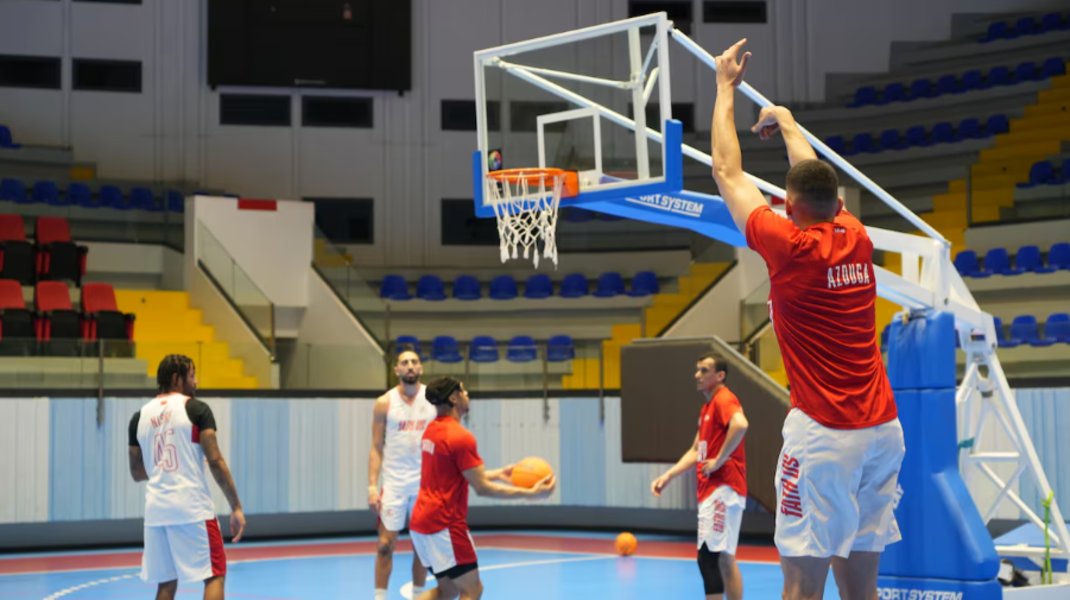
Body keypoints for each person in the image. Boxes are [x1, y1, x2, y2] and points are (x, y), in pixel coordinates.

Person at [709, 39, 905, 600]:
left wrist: (725, 86)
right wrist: (789, 122)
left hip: (824, 435)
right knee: (861, 588)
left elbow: (726, 170)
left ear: (789, 208)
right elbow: (814, 177)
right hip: (882, 433)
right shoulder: (855, 234)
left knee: (801, 586)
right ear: (836, 205)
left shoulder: (790, 247)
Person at [410, 376, 555, 600]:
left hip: (421, 522)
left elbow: (454, 476)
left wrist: (499, 474)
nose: (467, 395)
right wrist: (531, 493)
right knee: (472, 590)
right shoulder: (460, 436)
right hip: (445, 525)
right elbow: (482, 488)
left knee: (447, 590)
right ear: (453, 398)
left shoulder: (432, 430)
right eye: (463, 391)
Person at [128, 355, 246, 600]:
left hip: (156, 512)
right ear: (176, 378)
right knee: (214, 574)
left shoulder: (139, 417)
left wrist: (164, 467)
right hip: (192, 508)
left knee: (166, 583)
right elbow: (215, 461)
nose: (196, 381)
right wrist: (236, 506)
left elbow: (137, 473)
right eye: (192, 376)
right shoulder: (196, 410)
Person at [651, 352, 749, 600]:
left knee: (708, 558)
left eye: (704, 370)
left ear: (720, 375)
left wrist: (720, 459)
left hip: (722, 488)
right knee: (724, 558)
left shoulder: (723, 399)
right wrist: (669, 475)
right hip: (715, 490)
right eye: (697, 370)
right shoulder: (707, 408)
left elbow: (740, 424)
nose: (697, 375)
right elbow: (696, 450)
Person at [368, 350, 437, 600]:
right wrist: (372, 486)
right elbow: (376, 446)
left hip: (424, 484)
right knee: (385, 546)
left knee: (422, 548)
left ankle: (418, 595)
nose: (410, 366)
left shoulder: (432, 400)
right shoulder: (384, 402)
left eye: (414, 362)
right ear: (396, 369)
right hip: (394, 484)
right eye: (404, 362)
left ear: (421, 368)